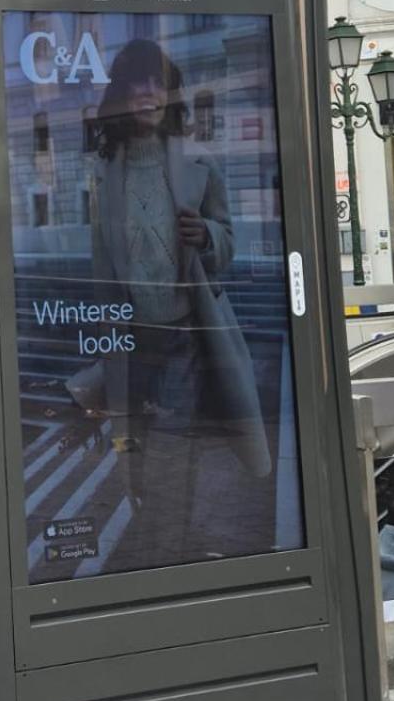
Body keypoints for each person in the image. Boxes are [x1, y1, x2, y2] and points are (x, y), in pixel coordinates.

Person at [66, 38, 269, 568]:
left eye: (157, 84)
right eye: (136, 84)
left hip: (186, 332)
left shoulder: (200, 164)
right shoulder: (103, 174)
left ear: (171, 95)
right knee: (136, 442)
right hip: (132, 336)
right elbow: (100, 267)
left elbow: (228, 240)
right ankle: (159, 532)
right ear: (120, 97)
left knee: (173, 442)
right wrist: (102, 327)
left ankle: (168, 544)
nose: (147, 94)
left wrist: (205, 234)